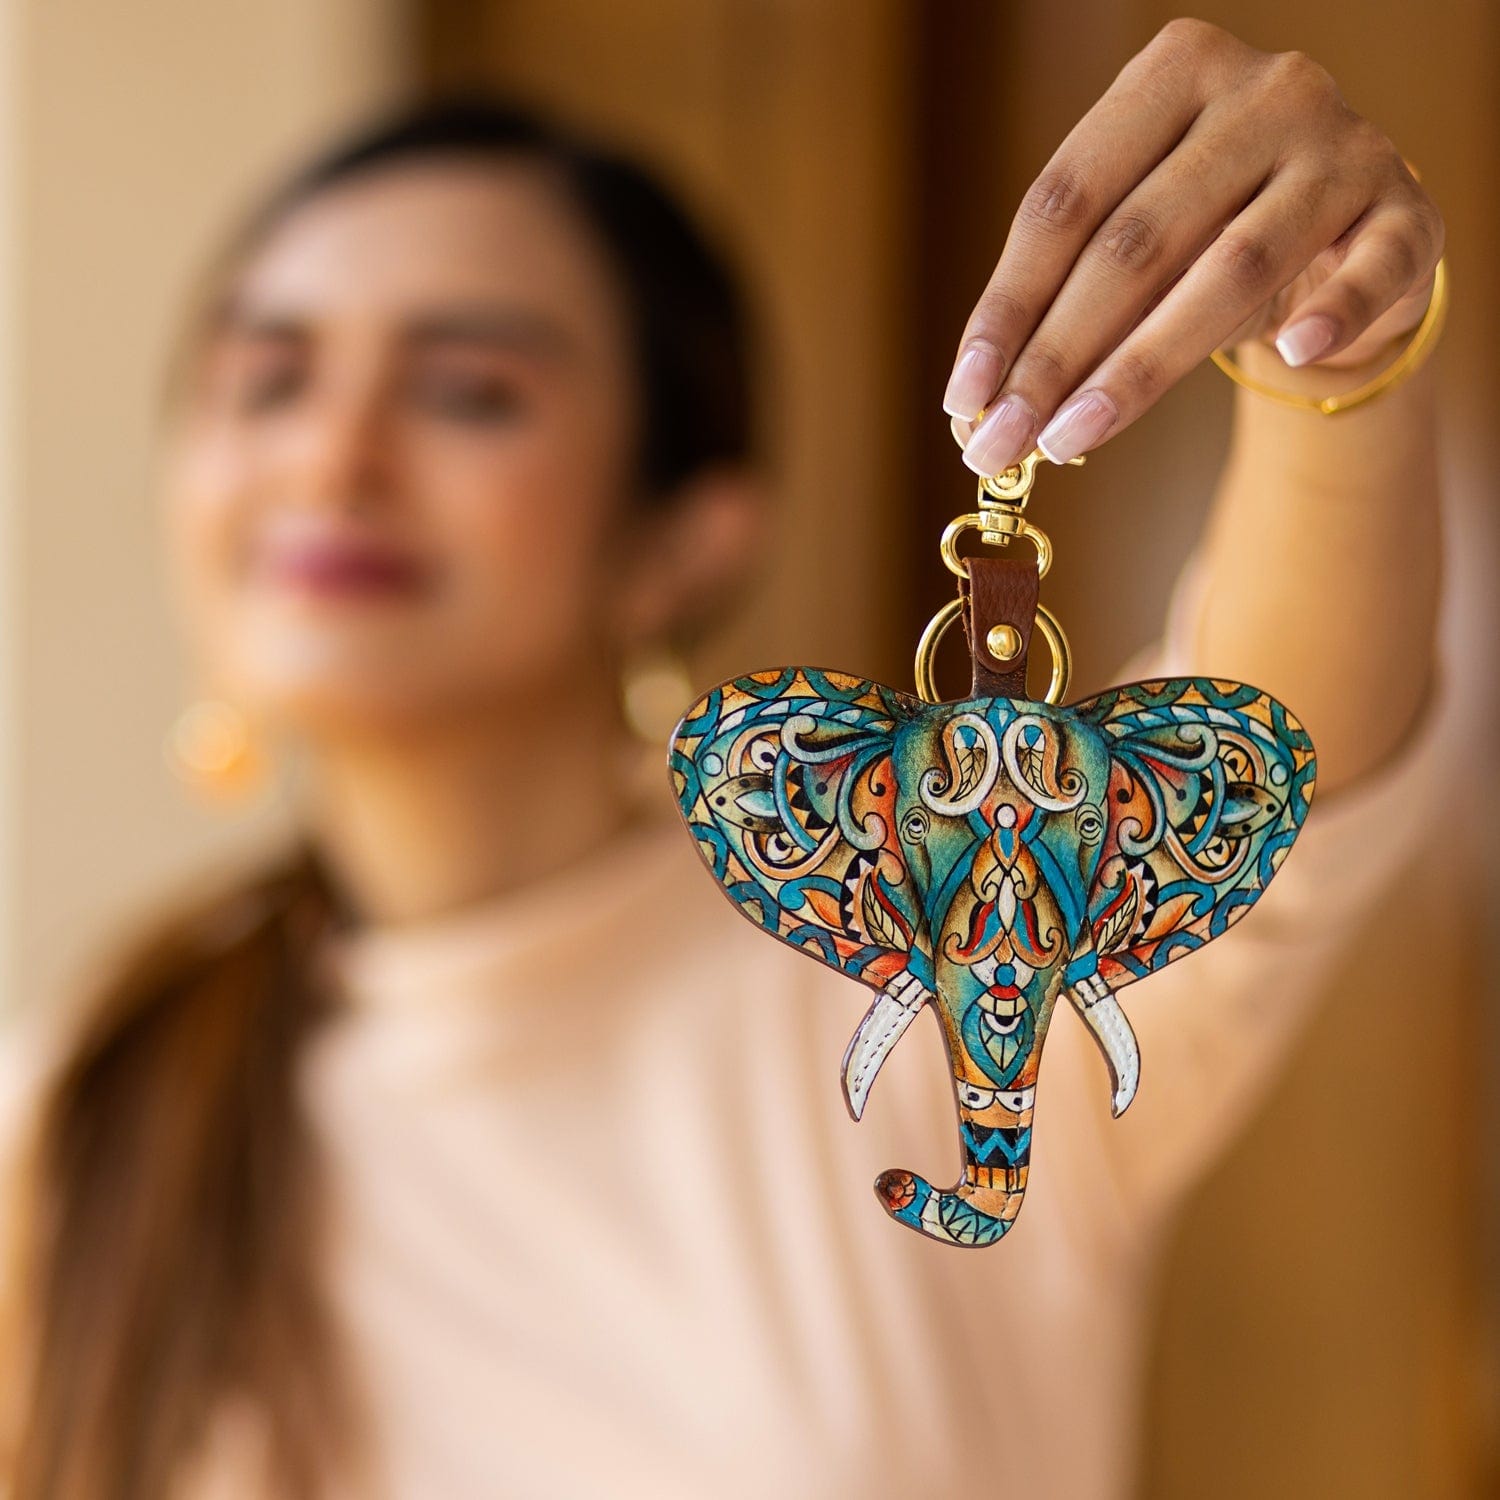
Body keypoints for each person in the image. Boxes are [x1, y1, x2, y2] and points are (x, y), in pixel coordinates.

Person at [0, 18, 1455, 1500]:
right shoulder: (75, 1120)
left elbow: (1281, 752)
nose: (332, 457)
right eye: (268, 380)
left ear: (688, 536)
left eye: (466, 392)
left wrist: (1333, 338)